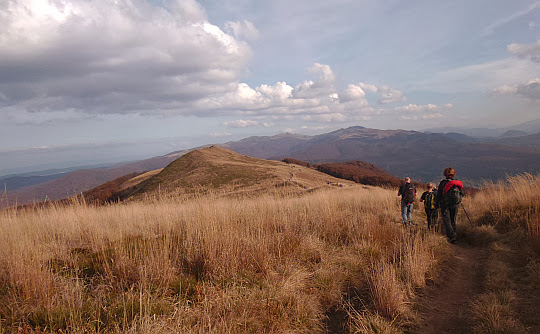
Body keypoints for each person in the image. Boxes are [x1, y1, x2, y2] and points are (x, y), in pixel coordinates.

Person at [435, 167, 464, 243]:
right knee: (453, 220)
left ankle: (452, 236)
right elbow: (462, 193)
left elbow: (439, 195)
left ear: (445, 174)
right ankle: (454, 235)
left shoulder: (443, 183)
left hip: (445, 204)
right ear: (453, 174)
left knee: (447, 221)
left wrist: (436, 204)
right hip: (455, 204)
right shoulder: (457, 183)